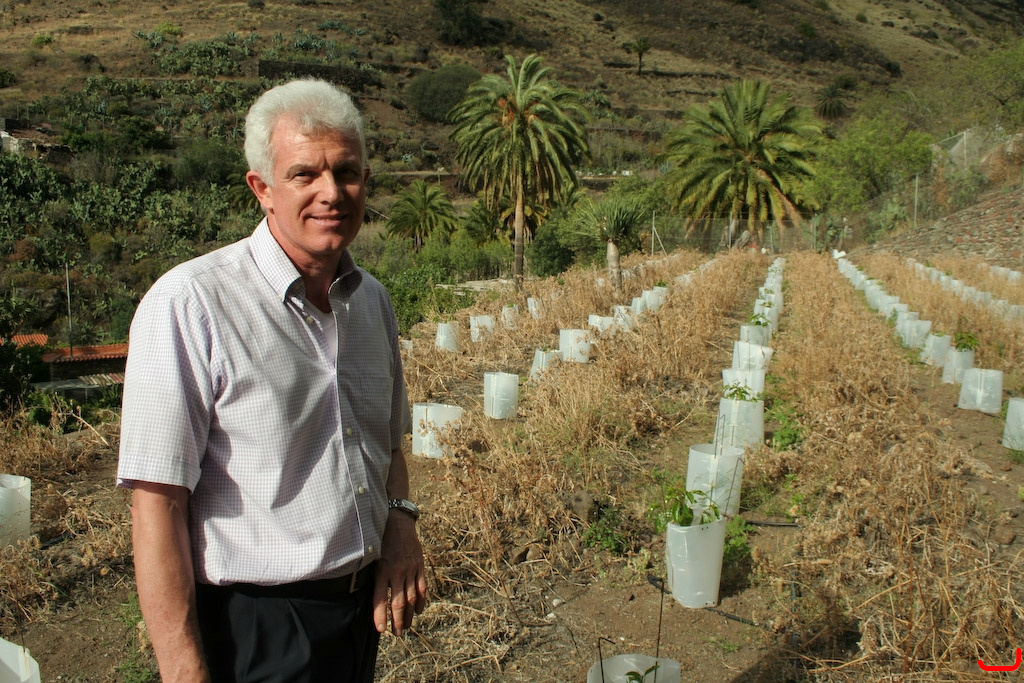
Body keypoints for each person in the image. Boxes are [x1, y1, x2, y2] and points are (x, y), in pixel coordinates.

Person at [117, 78, 427, 682]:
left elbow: (387, 444)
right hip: (255, 628)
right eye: (304, 174)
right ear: (262, 189)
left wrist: (401, 524)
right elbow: (157, 503)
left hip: (358, 616)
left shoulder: (372, 303)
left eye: (347, 172)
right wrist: (183, 670)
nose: (331, 193)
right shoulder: (192, 304)